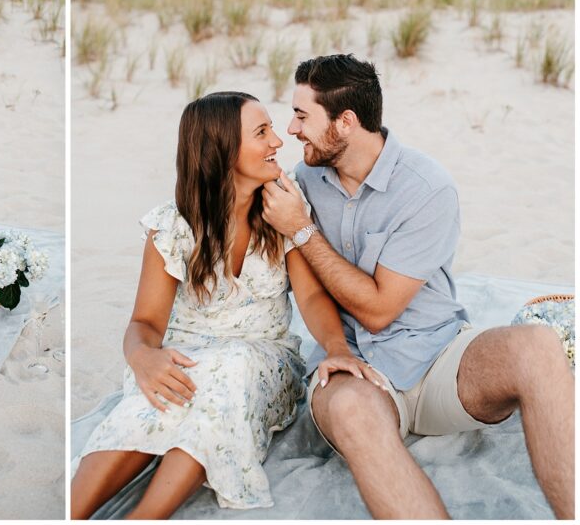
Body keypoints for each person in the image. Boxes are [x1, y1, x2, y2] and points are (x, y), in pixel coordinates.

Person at [262, 54, 574, 519]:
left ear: (345, 123)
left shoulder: (426, 188)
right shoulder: (303, 183)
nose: (291, 128)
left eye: (303, 115)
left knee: (535, 347)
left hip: (438, 360)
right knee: (350, 411)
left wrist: (305, 231)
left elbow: (379, 310)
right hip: (357, 373)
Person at [71, 91, 374, 519]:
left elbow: (309, 296)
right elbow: (144, 321)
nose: (277, 142)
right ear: (222, 150)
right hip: (189, 353)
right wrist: (143, 357)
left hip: (260, 359)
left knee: (226, 372)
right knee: (153, 403)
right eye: (262, 132)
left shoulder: (282, 209)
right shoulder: (173, 226)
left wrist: (337, 349)